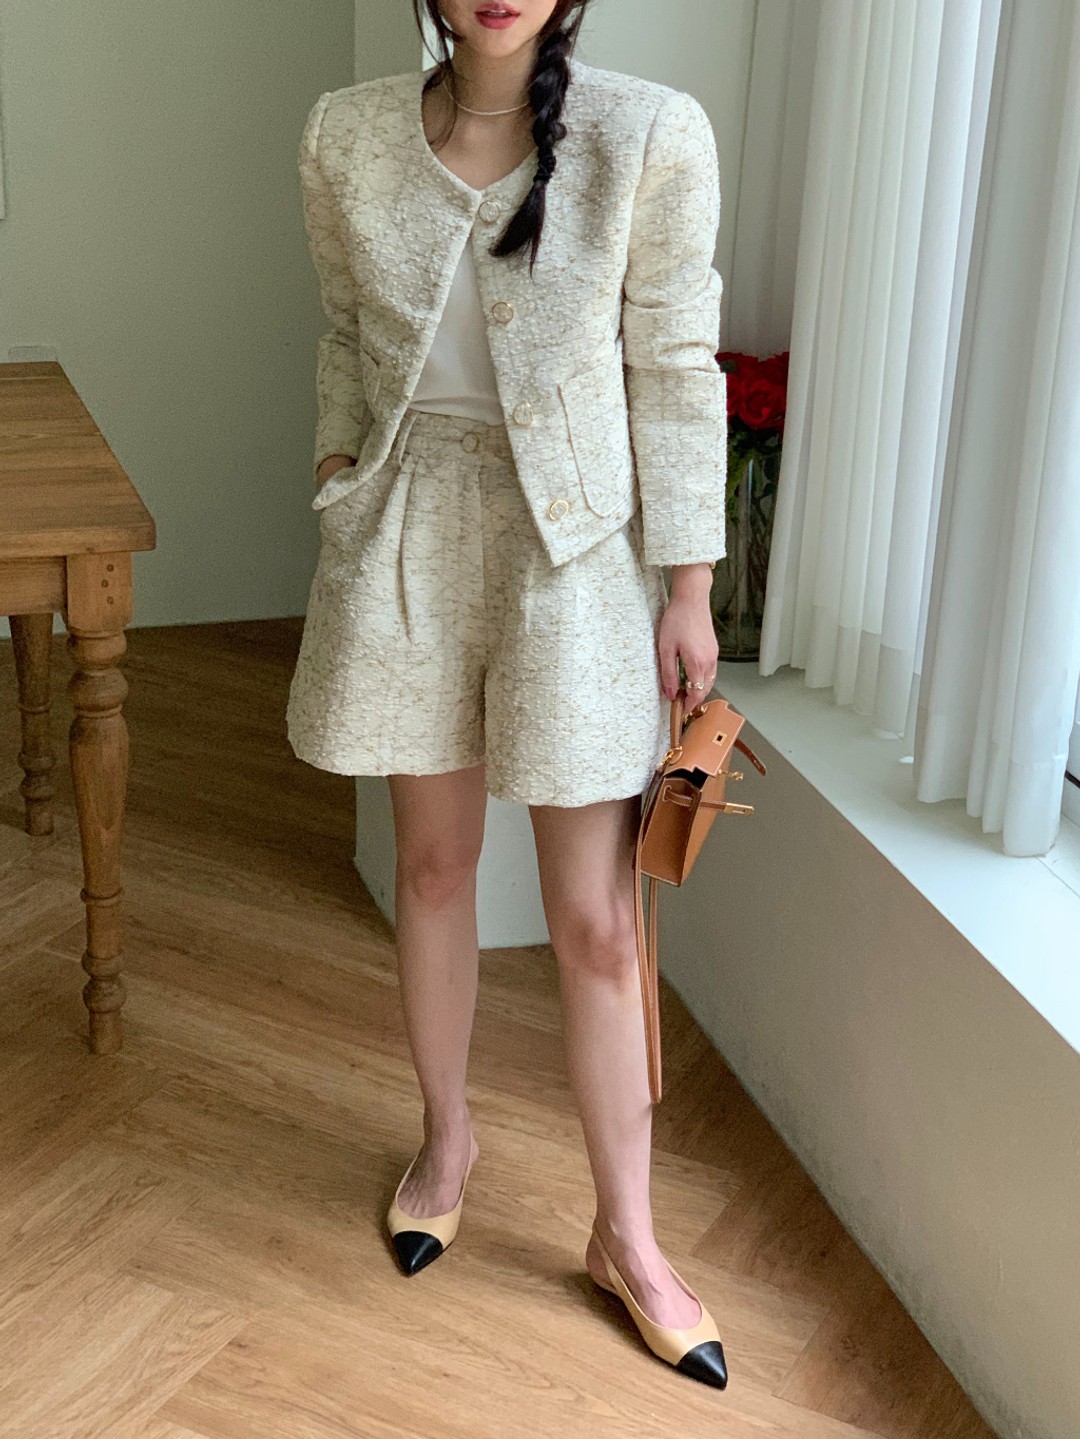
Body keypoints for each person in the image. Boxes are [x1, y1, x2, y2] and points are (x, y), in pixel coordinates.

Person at [286, 0, 728, 1390]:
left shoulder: (647, 133)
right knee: (432, 868)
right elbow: (345, 330)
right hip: (409, 524)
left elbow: (675, 367)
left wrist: (688, 586)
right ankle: (446, 1137)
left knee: (595, 919)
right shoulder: (348, 133)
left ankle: (628, 1235)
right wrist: (339, 463)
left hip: (573, 551)